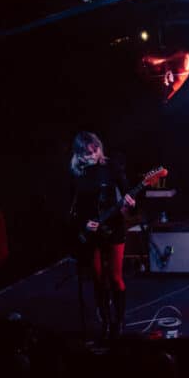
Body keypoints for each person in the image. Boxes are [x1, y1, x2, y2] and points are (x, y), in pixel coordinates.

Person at [69, 131, 135, 340]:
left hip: (114, 227)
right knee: (98, 278)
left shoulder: (111, 167)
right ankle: (105, 321)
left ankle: (119, 321)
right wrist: (83, 223)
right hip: (92, 232)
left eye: (95, 149)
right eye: (87, 153)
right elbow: (72, 209)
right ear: (79, 155)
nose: (93, 154)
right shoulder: (77, 175)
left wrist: (130, 203)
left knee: (116, 277)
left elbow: (128, 194)